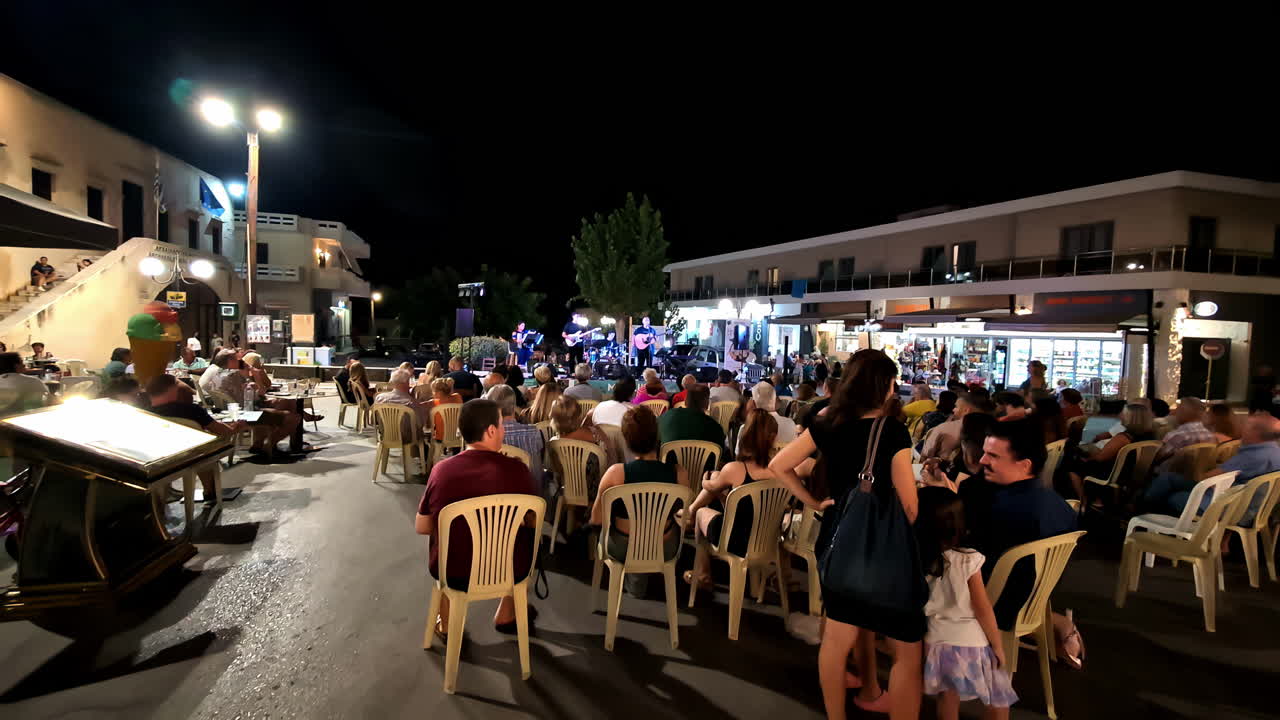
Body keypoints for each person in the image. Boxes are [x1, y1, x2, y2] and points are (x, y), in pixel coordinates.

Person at [771, 349, 921, 718]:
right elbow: (909, 505)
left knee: (837, 640)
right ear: (882, 386)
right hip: (882, 550)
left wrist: (812, 500)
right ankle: (881, 696)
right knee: (907, 647)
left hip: (837, 539)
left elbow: (780, 465)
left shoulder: (828, 423)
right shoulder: (892, 431)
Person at [415, 399, 538, 639]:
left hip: (454, 570)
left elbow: (422, 526)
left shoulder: (442, 470)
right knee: (523, 538)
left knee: (442, 540)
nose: (503, 430)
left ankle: (447, 625)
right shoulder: (517, 470)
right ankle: (507, 612)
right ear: (491, 431)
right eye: (501, 425)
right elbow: (533, 520)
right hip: (509, 569)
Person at [915, 487, 1018, 719]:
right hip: (970, 641)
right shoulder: (967, 560)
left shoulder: (916, 559)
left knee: (947, 697)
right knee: (997, 695)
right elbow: (982, 608)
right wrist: (998, 645)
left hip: (935, 641)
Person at [968, 420, 1078, 630]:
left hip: (999, 607)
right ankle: (1057, 623)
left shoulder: (1002, 509)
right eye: (984, 452)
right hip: (1036, 601)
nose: (982, 460)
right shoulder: (1061, 504)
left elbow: (967, 562)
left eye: (993, 455)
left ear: (1024, 464)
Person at [589, 405, 686, 597]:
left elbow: (597, 519)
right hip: (665, 547)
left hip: (623, 546)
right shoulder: (679, 473)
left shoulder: (616, 474)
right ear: (657, 435)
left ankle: (633, 578)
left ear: (627, 439)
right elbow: (683, 516)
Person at [685, 409, 778, 588]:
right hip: (767, 539)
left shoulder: (735, 469)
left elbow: (709, 487)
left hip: (735, 540)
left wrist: (706, 479)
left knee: (701, 511)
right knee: (726, 489)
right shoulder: (780, 470)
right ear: (773, 438)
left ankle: (703, 573)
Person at [1146, 413, 1280, 516]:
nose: (1241, 429)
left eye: (1245, 426)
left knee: (1173, 496)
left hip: (1224, 507)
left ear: (1255, 432)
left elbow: (1206, 479)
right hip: (1251, 507)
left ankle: (1144, 518)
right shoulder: (1274, 452)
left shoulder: (1252, 456)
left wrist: (1201, 466)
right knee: (1169, 479)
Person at [147, 374, 248, 503]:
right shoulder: (191, 410)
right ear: (173, 389)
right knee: (205, 450)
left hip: (162, 459)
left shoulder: (144, 413)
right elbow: (222, 431)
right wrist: (236, 428)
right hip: (195, 455)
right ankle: (209, 490)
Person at [200, 349, 301, 455]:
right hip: (243, 413)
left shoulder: (216, 371)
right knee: (294, 418)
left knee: (284, 403)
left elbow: (253, 396)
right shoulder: (232, 375)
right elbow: (256, 397)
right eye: (238, 359)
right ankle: (268, 446)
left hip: (228, 410)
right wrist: (254, 376)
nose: (242, 361)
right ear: (230, 361)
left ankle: (258, 444)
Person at [1067, 403, 1157, 503]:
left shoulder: (1123, 437)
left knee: (1072, 465)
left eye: (1123, 413)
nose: (1119, 415)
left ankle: (1084, 501)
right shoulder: (1151, 437)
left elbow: (1100, 458)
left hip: (1115, 475)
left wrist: (1086, 456)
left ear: (1130, 418)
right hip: (1134, 474)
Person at [486, 384, 545, 490]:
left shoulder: (485, 436)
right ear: (514, 406)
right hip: (530, 498)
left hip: (496, 499)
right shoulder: (533, 432)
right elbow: (537, 469)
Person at [550, 395, 617, 469]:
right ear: (578, 415)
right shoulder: (596, 434)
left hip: (564, 480)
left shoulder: (553, 442)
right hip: (597, 478)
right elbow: (611, 459)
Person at [921, 394, 992, 461]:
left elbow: (925, 455)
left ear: (966, 410)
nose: (953, 409)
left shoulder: (943, 428)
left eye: (956, 407)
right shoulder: (994, 430)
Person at [1151, 397, 1216, 472]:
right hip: (1199, 476)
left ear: (1184, 412)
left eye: (1178, 409)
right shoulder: (1210, 435)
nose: (1175, 412)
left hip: (1170, 476)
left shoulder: (1177, 435)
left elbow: (1156, 458)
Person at [658, 384, 726, 449]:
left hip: (668, 460)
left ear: (685, 400)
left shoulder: (667, 417)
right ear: (707, 403)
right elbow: (720, 452)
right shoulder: (715, 427)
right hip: (702, 460)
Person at [374, 368, 430, 440]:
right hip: (408, 438)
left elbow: (374, 419)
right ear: (406, 382)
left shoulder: (379, 398)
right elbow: (420, 424)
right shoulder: (412, 403)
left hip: (385, 435)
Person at [741, 381, 796, 453]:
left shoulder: (746, 428)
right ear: (776, 401)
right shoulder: (791, 424)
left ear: (753, 404)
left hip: (758, 463)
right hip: (786, 463)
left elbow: (740, 457)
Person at [0, 353, 50, 417]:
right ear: (16, 366)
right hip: (25, 419)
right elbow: (50, 399)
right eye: (21, 362)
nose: (24, 365)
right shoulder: (32, 381)